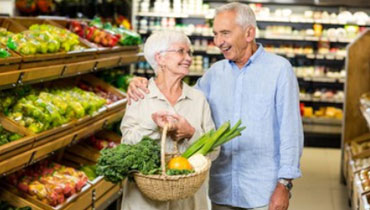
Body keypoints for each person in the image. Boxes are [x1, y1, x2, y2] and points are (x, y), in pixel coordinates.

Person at [127, 3, 303, 210]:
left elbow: (291, 131)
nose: (219, 42)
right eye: (216, 34)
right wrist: (142, 82)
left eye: (225, 33)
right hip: (222, 189)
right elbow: (180, 97)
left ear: (249, 33)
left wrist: (284, 184)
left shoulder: (279, 70)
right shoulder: (214, 73)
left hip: (262, 191)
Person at [120, 30, 216, 210]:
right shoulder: (140, 95)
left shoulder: (198, 99)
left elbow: (214, 152)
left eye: (190, 53)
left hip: (188, 203)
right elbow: (127, 143)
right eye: (181, 51)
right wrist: (152, 125)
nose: (188, 58)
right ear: (160, 58)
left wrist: (191, 133)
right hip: (144, 203)